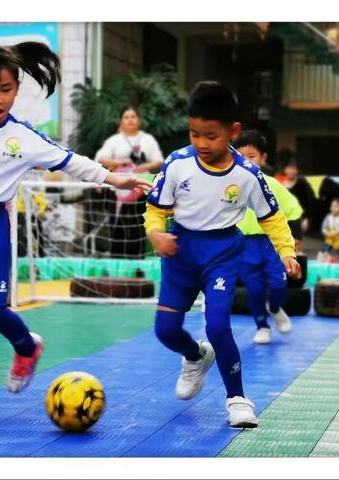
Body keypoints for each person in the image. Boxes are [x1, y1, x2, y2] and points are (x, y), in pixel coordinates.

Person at [0, 42, 152, 425]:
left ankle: (26, 346)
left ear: (17, 87)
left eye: (5, 89)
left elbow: (72, 162)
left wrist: (116, 178)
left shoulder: (25, 138)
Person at [144, 81, 300, 428]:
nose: (201, 142)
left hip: (222, 254)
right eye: (194, 133)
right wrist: (156, 233)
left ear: (233, 131)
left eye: (211, 135)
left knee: (217, 326)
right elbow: (156, 209)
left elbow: (272, 217)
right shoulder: (177, 163)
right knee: (166, 330)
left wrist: (286, 251)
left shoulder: (247, 174)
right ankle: (196, 356)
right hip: (180, 253)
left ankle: (237, 398)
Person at [233, 130, 303, 344]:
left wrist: (296, 238)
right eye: (240, 156)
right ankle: (262, 326)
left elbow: (293, 210)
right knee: (253, 288)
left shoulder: (272, 184)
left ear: (263, 158)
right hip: (245, 245)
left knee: (278, 284)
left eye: (251, 156)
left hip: (272, 243)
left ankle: (274, 307)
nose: (245, 161)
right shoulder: (229, 187)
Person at [95, 107, 164, 258]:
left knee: (138, 228)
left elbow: (159, 161)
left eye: (133, 116)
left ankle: (137, 265)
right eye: (126, 117)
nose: (130, 119)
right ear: (121, 121)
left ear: (139, 120)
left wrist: (145, 166)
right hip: (117, 192)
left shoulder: (148, 140)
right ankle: (117, 266)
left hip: (140, 191)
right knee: (116, 228)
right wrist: (120, 161)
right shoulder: (114, 141)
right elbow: (101, 158)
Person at [280, 159, 316, 234]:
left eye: (294, 169)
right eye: (289, 168)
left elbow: (309, 203)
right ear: (285, 169)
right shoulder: (280, 184)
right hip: (282, 221)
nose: (292, 171)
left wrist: (307, 219)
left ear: (297, 170)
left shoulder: (302, 184)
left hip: (298, 221)